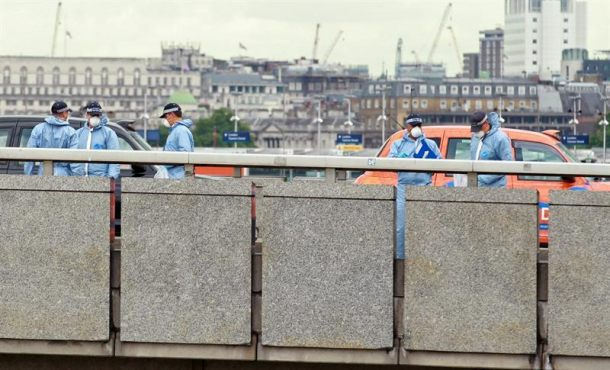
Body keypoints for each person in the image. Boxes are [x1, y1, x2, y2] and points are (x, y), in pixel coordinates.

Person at [390, 113, 443, 259]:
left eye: (419, 126)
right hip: (403, 188)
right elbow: (390, 162)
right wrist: (401, 160)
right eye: (413, 126)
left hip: (424, 186)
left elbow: (440, 163)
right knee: (401, 226)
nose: (416, 129)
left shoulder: (430, 144)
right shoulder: (398, 144)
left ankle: (424, 257)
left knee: (424, 224)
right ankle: (400, 258)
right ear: (407, 127)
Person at [24, 101, 77, 176]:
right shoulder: (70, 132)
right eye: (67, 112)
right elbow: (75, 158)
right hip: (63, 175)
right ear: (64, 113)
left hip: (43, 172)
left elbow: (29, 154)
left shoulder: (38, 129)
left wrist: (28, 176)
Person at [72, 101, 120, 179]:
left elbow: (114, 159)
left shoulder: (109, 133)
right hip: (80, 179)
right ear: (87, 115)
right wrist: (75, 175)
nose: (95, 117)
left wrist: (111, 179)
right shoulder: (78, 134)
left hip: (101, 179)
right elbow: (72, 156)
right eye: (92, 115)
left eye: (97, 115)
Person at [470, 110, 514, 187]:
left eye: (478, 129)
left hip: (495, 188)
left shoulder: (500, 139)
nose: (476, 132)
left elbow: (508, 165)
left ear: (486, 124)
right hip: (475, 186)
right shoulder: (475, 137)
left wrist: (481, 179)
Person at [160, 102, 194, 179]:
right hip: (174, 176)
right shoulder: (176, 130)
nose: (166, 119)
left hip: (178, 177)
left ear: (172, 114)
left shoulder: (181, 130)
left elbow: (185, 156)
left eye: (166, 116)